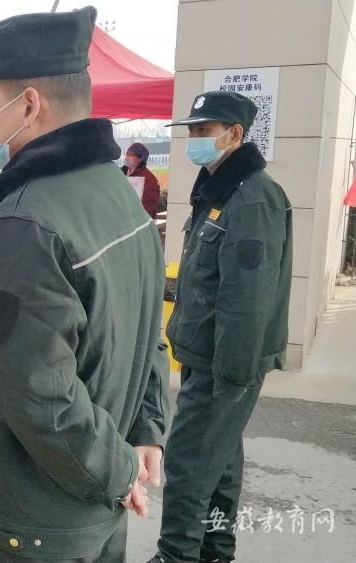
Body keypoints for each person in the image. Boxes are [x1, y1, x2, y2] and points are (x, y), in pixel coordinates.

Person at [0, 8, 168, 562]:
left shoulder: (25, 223)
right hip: (94, 499)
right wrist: (146, 431)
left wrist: (117, 471)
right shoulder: (119, 195)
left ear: (29, 105)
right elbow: (151, 333)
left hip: (35, 512)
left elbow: (40, 393)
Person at [147, 92, 292, 563]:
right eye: (191, 131)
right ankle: (215, 552)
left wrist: (232, 377)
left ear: (234, 134)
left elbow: (247, 299)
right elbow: (207, 277)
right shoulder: (219, 192)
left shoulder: (251, 199)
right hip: (203, 354)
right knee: (221, 463)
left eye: (204, 131)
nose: (195, 139)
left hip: (224, 363)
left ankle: (176, 556)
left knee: (189, 464)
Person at [121, 143, 161, 219]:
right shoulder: (122, 173)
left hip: (139, 221)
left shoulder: (149, 179)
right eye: (126, 154)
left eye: (130, 155)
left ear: (140, 158)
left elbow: (148, 208)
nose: (126, 157)